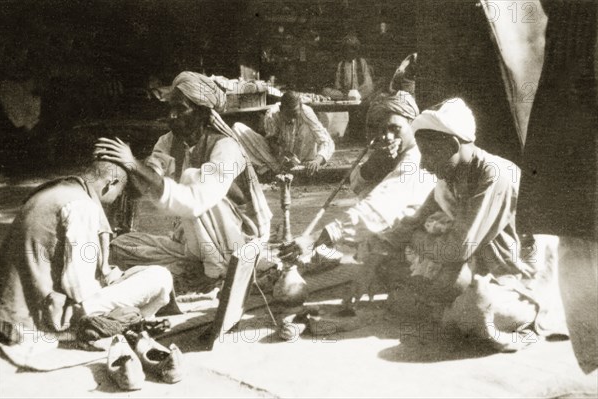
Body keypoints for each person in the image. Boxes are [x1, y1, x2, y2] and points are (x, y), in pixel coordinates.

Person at [371, 99, 567, 351]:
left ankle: (444, 309)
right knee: (385, 267)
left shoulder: (494, 176)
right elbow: (412, 221)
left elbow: (457, 249)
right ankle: (440, 305)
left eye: (429, 153)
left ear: (453, 145)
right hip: (478, 271)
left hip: (519, 281)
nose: (423, 164)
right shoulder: (452, 175)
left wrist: (413, 239)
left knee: (474, 306)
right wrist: (375, 255)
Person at [96, 71, 272, 283]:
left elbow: (196, 200)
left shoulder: (227, 147)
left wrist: (134, 163)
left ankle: (217, 271)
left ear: (202, 113)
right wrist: (123, 166)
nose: (172, 115)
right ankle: (194, 264)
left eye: (181, 109)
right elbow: (148, 181)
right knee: (120, 246)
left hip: (239, 240)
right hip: (192, 241)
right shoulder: (168, 142)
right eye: (171, 108)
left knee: (191, 178)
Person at [0, 160, 174, 346]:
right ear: (110, 183)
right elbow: (78, 285)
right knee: (160, 277)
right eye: (120, 193)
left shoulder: (56, 191)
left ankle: (124, 320)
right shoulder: (82, 206)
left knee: (134, 278)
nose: (116, 199)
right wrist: (111, 287)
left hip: (12, 309)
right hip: (42, 316)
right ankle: (110, 325)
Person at [284, 90, 434, 260]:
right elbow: (357, 185)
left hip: (414, 253)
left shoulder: (416, 160)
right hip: (385, 242)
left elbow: (376, 208)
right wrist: (375, 163)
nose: (388, 136)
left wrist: (315, 238)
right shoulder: (395, 152)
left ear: (413, 124)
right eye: (383, 130)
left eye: (395, 128)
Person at [232, 91, 335, 176]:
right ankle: (277, 168)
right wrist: (281, 154)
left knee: (307, 128)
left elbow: (326, 141)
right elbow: (271, 140)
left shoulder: (306, 112)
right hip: (279, 157)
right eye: (289, 115)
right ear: (281, 110)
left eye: (295, 115)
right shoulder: (272, 114)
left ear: (300, 108)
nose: (293, 120)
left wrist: (317, 161)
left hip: (302, 157)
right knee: (237, 128)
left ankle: (299, 166)